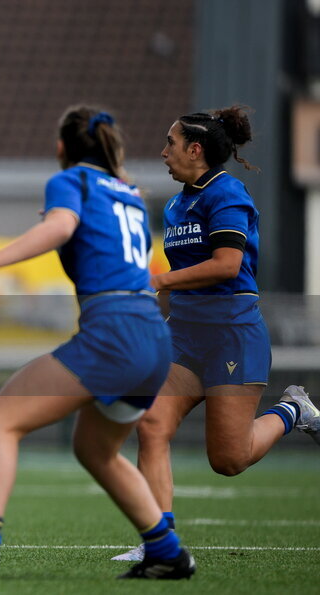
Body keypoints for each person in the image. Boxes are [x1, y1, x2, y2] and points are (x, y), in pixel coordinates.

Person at [0, 106, 195, 580]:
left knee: (1, 420)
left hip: (115, 332)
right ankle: (167, 551)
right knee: (95, 449)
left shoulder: (72, 182)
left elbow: (61, 228)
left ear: (62, 147)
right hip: (152, 335)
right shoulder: (127, 192)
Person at [111, 105, 320, 562]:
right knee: (150, 424)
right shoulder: (175, 203)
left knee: (229, 460)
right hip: (184, 336)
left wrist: (158, 280)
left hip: (232, 335)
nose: (163, 151)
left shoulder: (227, 193)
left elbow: (226, 266)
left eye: (170, 142)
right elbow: (181, 275)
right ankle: (158, 544)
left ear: (195, 148)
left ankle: (293, 410)